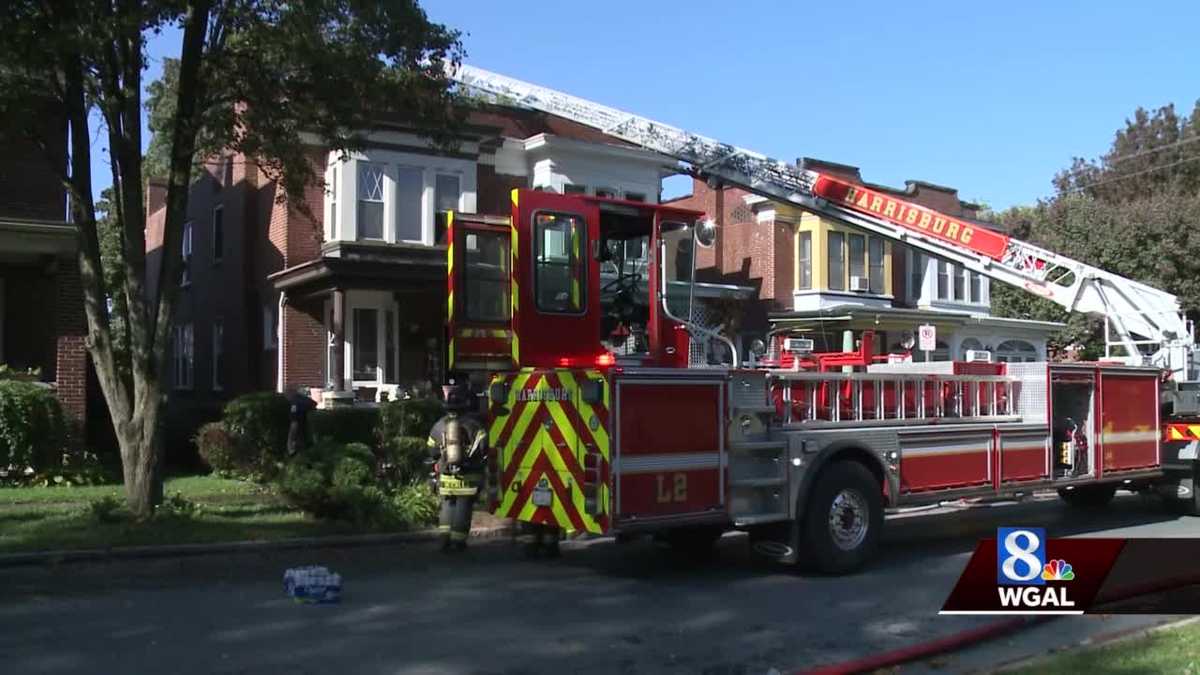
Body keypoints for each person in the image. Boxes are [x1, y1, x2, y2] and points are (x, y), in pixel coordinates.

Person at [427, 382, 487, 552]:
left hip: (446, 476)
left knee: (447, 505)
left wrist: (440, 458)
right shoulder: (474, 424)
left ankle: (444, 539)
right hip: (468, 476)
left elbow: (431, 449)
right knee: (463, 507)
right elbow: (483, 446)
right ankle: (458, 541)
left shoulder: (439, 425)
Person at [287, 386, 316, 456]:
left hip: (300, 424)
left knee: (298, 441)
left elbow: (294, 420)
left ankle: (293, 452)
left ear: (290, 394)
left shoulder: (294, 402)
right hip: (308, 423)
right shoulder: (303, 399)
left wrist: (290, 442)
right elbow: (314, 403)